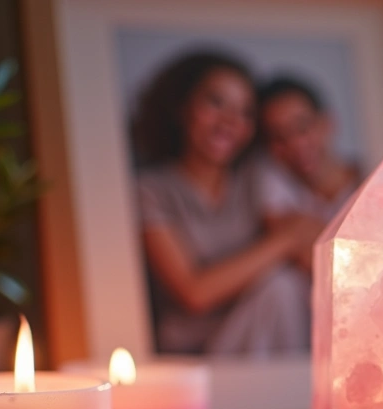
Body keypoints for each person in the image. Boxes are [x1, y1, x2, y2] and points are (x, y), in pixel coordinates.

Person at [130, 51, 316, 356]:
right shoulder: (151, 190)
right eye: (216, 103)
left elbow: (306, 245)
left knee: (285, 287)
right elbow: (194, 293)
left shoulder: (256, 177)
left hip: (262, 343)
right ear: (182, 106)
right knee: (279, 287)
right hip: (192, 357)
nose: (230, 122)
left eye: (244, 113)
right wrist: (283, 241)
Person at [251, 76, 361, 262]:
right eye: (278, 137)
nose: (295, 144)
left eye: (302, 127)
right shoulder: (277, 194)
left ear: (327, 122)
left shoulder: (376, 178)